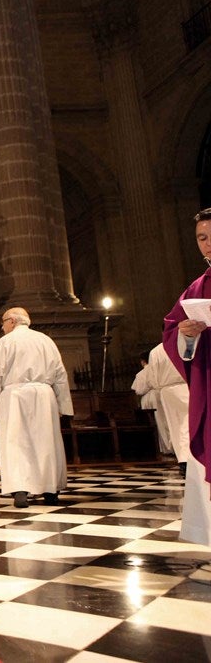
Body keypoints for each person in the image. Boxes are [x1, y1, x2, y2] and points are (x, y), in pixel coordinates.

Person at [0, 307, 72, 508]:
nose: (2, 326)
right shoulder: (46, 341)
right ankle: (50, 491)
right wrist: (62, 404)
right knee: (46, 442)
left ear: (12, 321)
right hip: (43, 395)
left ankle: (20, 491)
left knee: (16, 442)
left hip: (14, 397)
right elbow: (60, 375)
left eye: (3, 321)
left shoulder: (5, 342)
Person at [163, 207, 211, 547]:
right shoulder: (197, 288)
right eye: (202, 238)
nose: (208, 244)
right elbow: (172, 334)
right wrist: (186, 333)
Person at [132, 343, 189, 473]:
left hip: (166, 391)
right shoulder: (183, 344)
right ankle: (187, 456)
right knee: (186, 423)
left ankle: (181, 457)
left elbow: (153, 379)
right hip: (185, 386)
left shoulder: (157, 351)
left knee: (172, 424)